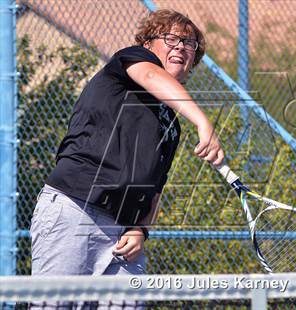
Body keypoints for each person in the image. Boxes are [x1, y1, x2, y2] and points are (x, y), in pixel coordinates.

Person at [30, 8, 224, 281]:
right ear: (147, 44)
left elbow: (154, 190)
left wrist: (139, 230)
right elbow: (151, 77)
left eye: (188, 43)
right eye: (171, 39)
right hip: (75, 208)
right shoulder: (131, 60)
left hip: (122, 234)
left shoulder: (171, 125)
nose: (180, 47)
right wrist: (204, 122)